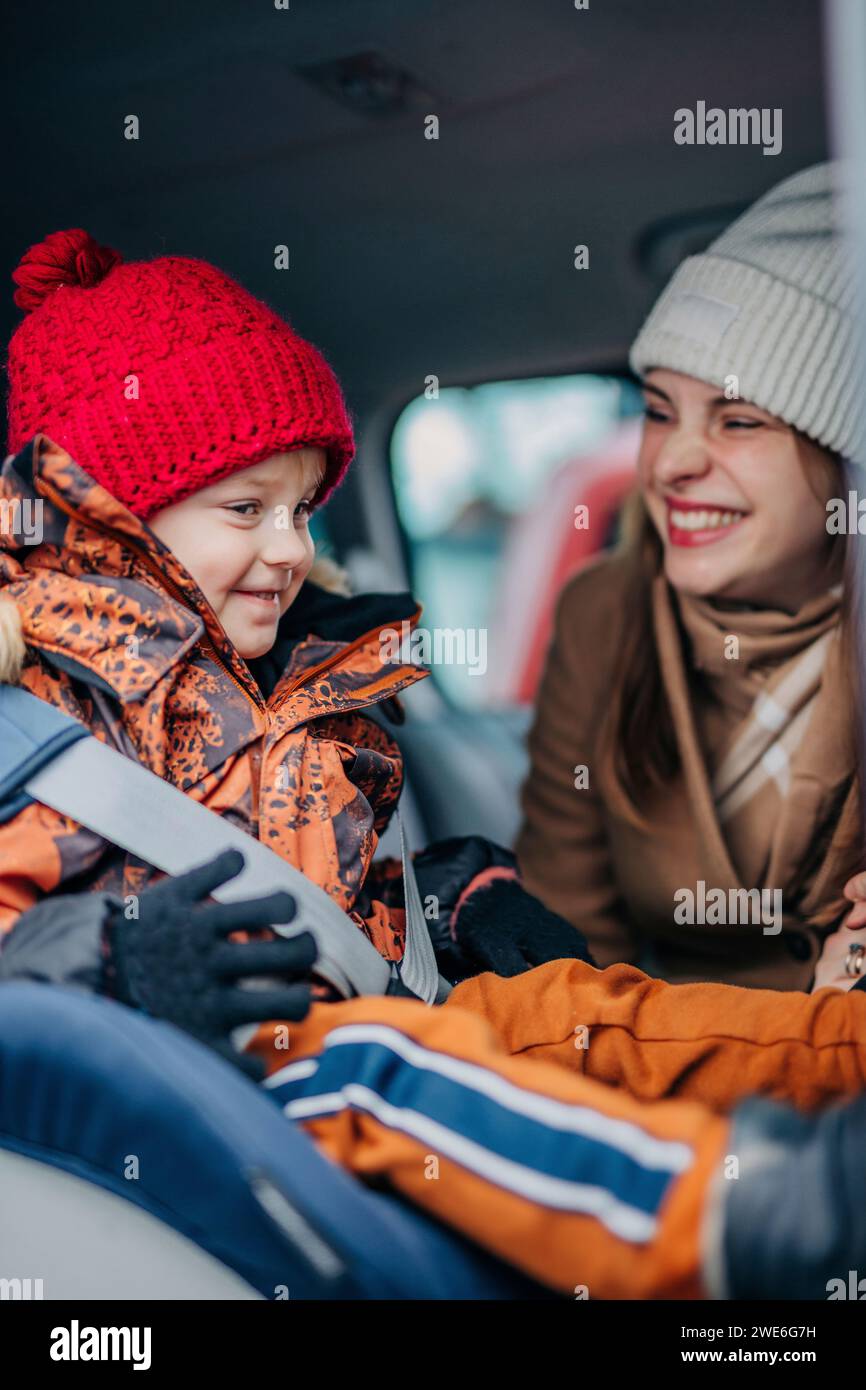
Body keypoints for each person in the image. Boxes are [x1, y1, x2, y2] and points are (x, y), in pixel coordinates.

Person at [1, 224, 866, 1300]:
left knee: (582, 1012)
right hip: (212, 1066)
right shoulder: (35, 716)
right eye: (244, 508)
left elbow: (330, 875)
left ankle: (842, 1047)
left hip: (352, 1010)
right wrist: (105, 954)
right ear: (110, 517)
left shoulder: (291, 684)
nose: (290, 548)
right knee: (379, 1068)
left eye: (301, 509)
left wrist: (453, 899)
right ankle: (748, 1216)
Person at [517, 161, 866, 992]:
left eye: (739, 420)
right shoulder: (604, 614)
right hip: (667, 1080)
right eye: (659, 411)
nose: (671, 462)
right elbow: (573, 951)